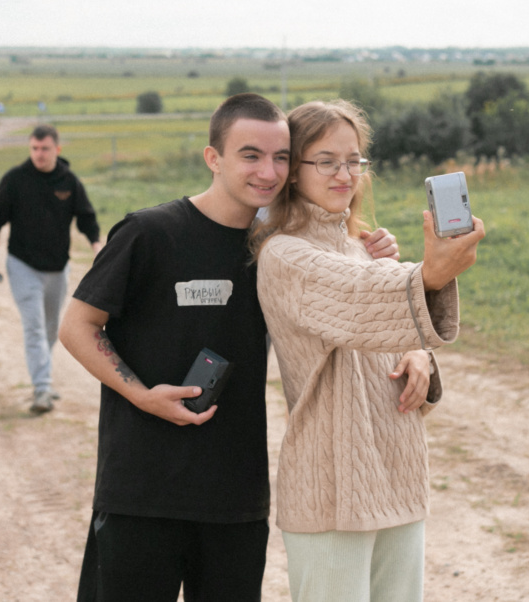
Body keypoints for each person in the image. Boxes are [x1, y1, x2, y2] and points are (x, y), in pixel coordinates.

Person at [58, 94, 400, 602]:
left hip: (236, 499)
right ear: (213, 158)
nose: (268, 170)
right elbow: (78, 325)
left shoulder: (275, 250)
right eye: (250, 155)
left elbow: (352, 312)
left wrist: (373, 260)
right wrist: (142, 394)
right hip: (142, 489)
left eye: (281, 157)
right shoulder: (151, 233)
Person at [252, 99, 485, 602]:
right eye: (326, 161)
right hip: (332, 488)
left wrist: (420, 355)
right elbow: (355, 301)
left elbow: (385, 327)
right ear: (293, 172)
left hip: (398, 472)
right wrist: (431, 274)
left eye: (353, 160)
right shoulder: (284, 254)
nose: (344, 174)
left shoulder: (363, 246)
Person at [0, 124, 102, 414]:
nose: (39, 154)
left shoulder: (69, 182)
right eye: (34, 148)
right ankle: (42, 389)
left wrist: (96, 242)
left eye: (45, 148)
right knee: (34, 326)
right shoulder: (15, 179)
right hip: (22, 265)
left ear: (57, 150)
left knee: (51, 329)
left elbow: (86, 216)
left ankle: (43, 377)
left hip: (57, 269)